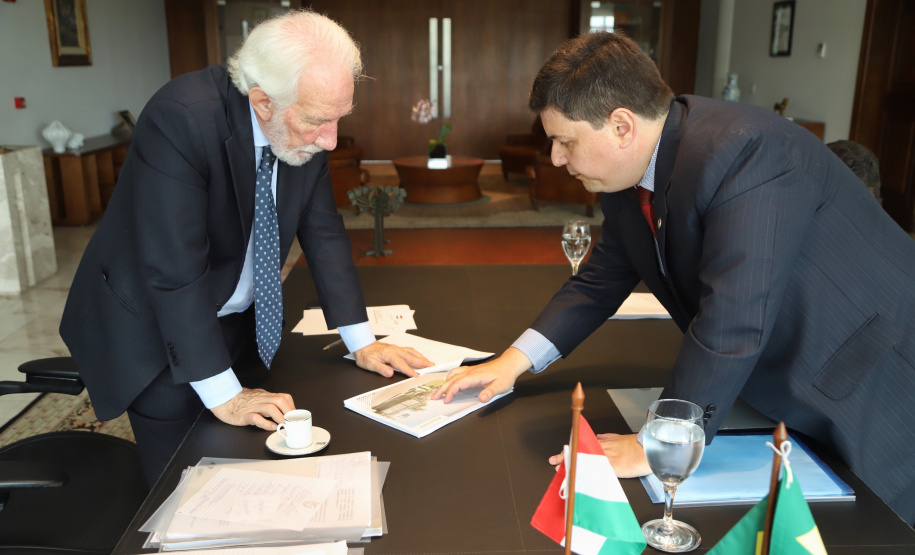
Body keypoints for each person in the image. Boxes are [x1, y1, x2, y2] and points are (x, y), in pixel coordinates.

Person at [433, 31, 915, 525]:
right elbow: (599, 280)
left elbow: (733, 317)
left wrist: (659, 443)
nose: (556, 158)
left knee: (887, 524)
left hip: (872, 372)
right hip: (787, 381)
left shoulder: (747, 151)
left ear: (621, 125)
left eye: (564, 140)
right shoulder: (629, 173)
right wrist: (512, 362)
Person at [60, 10, 431, 486]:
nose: (331, 140)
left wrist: (362, 342)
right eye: (318, 121)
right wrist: (223, 394)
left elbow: (323, 231)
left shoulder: (302, 125)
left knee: (250, 464)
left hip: (230, 315)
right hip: (153, 327)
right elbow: (174, 267)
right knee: (182, 485)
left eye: (340, 118)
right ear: (262, 103)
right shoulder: (181, 118)